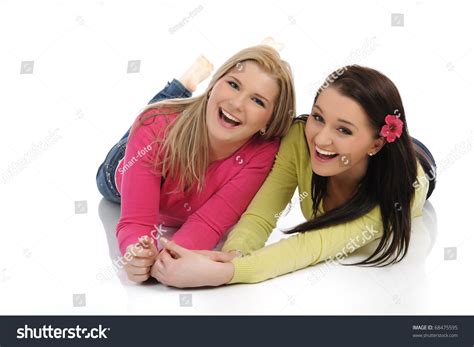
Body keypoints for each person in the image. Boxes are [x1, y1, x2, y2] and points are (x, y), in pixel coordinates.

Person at [150, 65, 437, 288]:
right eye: (318, 117)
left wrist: (225, 273)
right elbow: (262, 213)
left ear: (376, 144)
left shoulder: (398, 192)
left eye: (344, 130)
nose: (321, 139)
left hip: (413, 163)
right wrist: (235, 252)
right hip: (378, 146)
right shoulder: (300, 138)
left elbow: (315, 245)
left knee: (403, 156)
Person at [96, 45, 296, 283]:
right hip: (121, 169)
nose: (237, 103)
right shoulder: (155, 127)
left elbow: (208, 224)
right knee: (152, 116)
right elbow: (136, 221)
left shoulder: (263, 155)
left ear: (269, 121)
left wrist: (171, 260)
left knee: (160, 116)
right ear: (213, 86)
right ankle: (183, 85)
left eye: (257, 100)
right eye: (233, 84)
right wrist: (135, 251)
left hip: (176, 125)